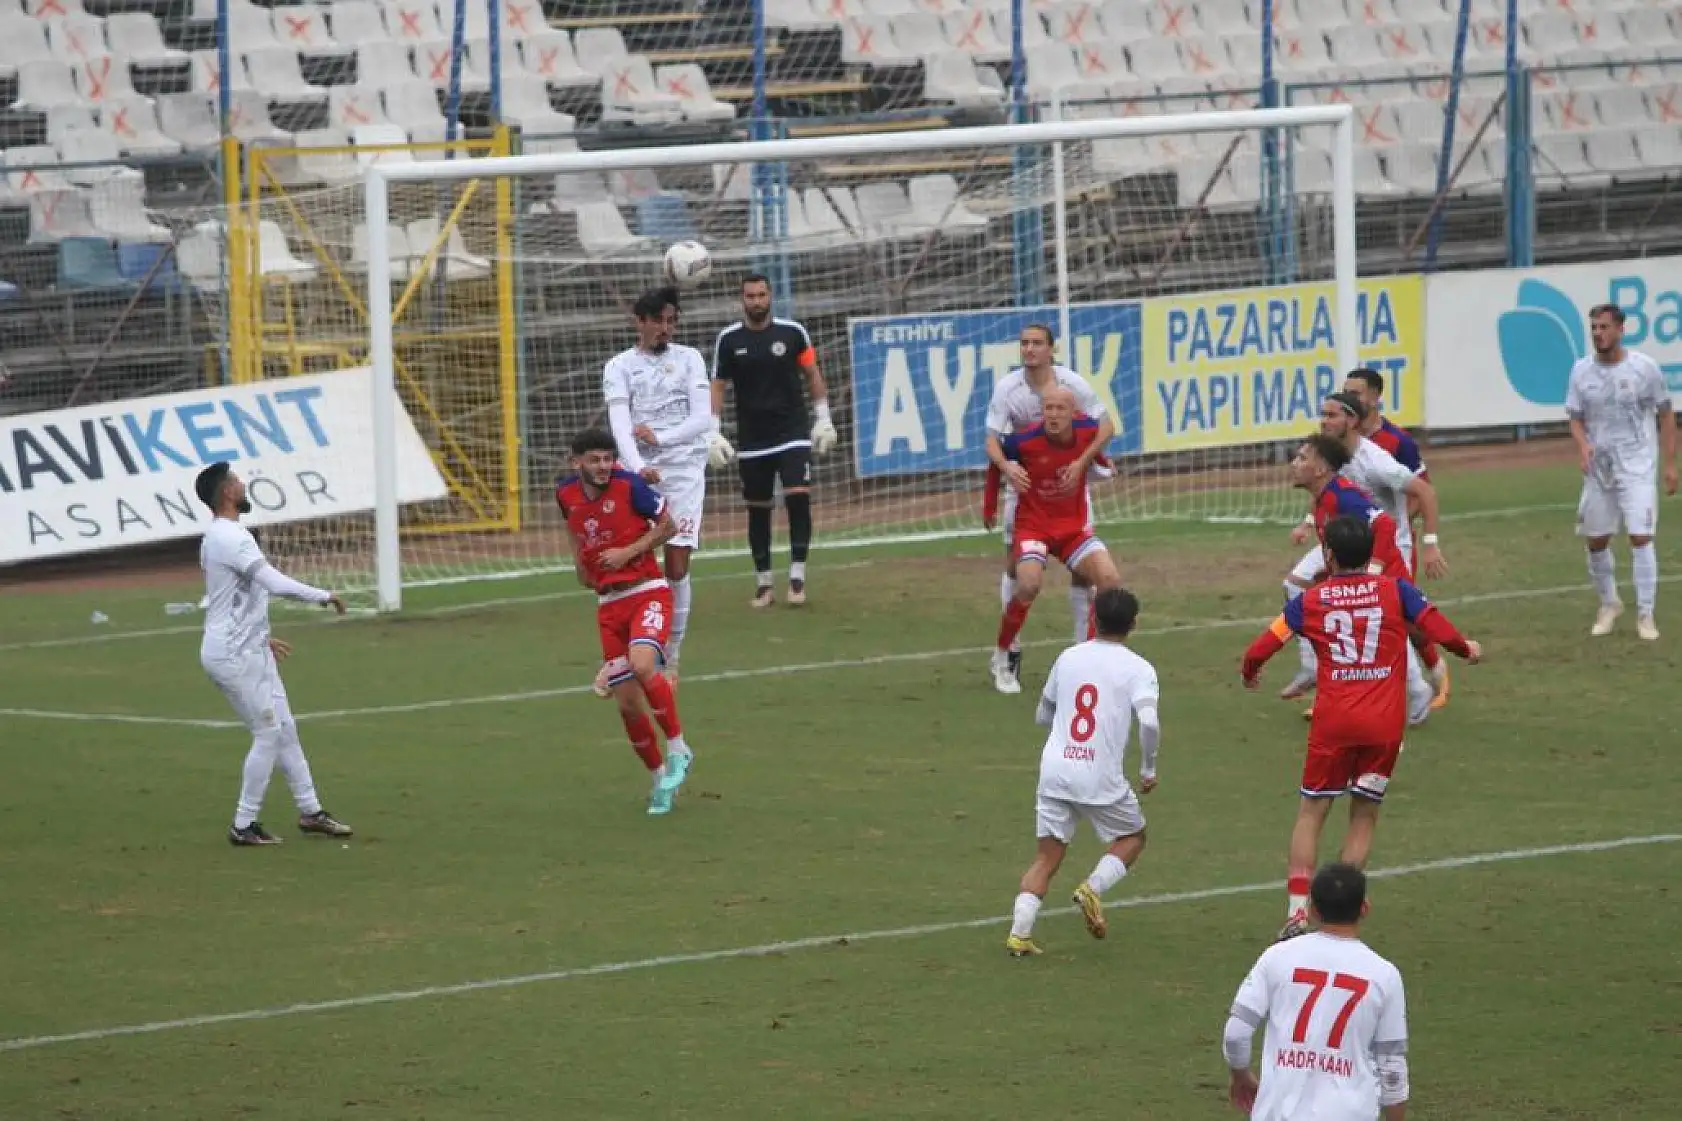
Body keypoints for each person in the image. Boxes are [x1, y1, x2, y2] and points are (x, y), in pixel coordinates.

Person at [1241, 515, 1481, 941]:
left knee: (1312, 811)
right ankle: (1339, 907)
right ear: (1370, 553)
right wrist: (1466, 649)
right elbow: (1434, 624)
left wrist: (1250, 670)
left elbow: (1266, 642)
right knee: (1364, 814)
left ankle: (1297, 914)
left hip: (1333, 723)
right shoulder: (1394, 590)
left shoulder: (1311, 601)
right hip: (1383, 728)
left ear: (1329, 555)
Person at [193, 462, 352, 847]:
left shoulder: (219, 536)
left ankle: (311, 811)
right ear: (228, 493)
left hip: (249, 648)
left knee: (286, 730)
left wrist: (261, 637)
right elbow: (272, 582)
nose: (243, 483)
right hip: (233, 656)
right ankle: (243, 825)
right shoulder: (230, 538)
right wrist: (323, 595)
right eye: (237, 481)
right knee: (267, 733)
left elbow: (232, 598)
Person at [1005, 587, 1158, 957]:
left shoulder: (1068, 657)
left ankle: (1018, 934)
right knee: (1132, 836)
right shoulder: (1139, 668)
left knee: (1047, 856)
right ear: (1133, 624)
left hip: (1055, 771)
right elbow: (1149, 722)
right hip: (1099, 775)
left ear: (1095, 618)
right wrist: (1148, 767)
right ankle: (1093, 888)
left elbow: (1043, 714)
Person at [557, 428, 695, 816]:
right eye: (594, 460)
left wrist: (627, 552)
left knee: (642, 664)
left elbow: (669, 527)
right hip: (609, 605)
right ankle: (659, 781)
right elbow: (574, 531)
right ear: (577, 462)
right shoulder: (565, 494)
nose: (603, 467)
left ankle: (680, 747)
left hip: (648, 591)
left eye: (607, 459)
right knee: (628, 705)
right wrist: (580, 567)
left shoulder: (630, 486)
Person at [1281, 394, 1449, 712]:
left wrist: (1427, 542)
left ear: (1352, 420)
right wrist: (1307, 524)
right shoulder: (1329, 468)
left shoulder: (1375, 461)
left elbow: (1411, 501)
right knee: (1295, 584)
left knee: (1386, 617)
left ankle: (1422, 682)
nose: (1324, 421)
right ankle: (1312, 667)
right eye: (1323, 415)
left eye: (1332, 415)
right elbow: (1320, 493)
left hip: (1382, 546)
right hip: (1345, 539)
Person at [983, 323, 1116, 688]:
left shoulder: (1073, 384)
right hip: (1024, 485)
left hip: (1068, 488)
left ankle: (1084, 652)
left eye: (1037, 343)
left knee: (1095, 576)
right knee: (1021, 575)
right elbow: (992, 442)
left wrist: (1083, 463)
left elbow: (1105, 428)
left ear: (1051, 349)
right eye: (1024, 343)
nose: (1029, 349)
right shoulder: (1008, 389)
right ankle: (1008, 650)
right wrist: (1007, 470)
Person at [1223, 863, 1410, 1121]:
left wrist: (1240, 1077)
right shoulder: (1384, 975)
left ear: (1311, 910)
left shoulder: (1277, 957)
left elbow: (1236, 1033)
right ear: (1365, 908)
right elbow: (1392, 1067)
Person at [599, 286, 714, 688]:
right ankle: (621, 655)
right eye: (659, 321)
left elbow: (703, 418)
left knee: (677, 565)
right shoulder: (619, 367)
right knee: (629, 566)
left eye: (672, 322)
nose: (666, 329)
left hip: (683, 472)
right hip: (639, 471)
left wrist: (661, 441)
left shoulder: (691, 359)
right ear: (640, 322)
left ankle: (672, 655)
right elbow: (620, 425)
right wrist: (638, 467)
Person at [710, 273, 836, 608]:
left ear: (771, 296)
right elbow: (718, 385)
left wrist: (823, 419)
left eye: (761, 295)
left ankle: (797, 576)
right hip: (752, 439)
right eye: (750, 296)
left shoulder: (793, 333)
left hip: (792, 431)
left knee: (797, 497)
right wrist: (713, 430)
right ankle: (764, 583)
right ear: (742, 300)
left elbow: (812, 374)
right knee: (758, 511)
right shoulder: (728, 340)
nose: (756, 301)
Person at [1567, 303, 1678, 640]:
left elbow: (1667, 413)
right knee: (1597, 540)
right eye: (1594, 328)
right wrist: (1583, 445)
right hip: (1600, 470)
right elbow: (1574, 416)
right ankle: (1609, 602)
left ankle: (1646, 614)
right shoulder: (1581, 371)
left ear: (1620, 329)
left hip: (1638, 465)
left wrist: (1670, 464)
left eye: (1604, 327)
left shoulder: (1645, 369)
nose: (1598, 334)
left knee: (1641, 536)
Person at [1342, 369, 1452, 710]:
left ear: (1375, 397)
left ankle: (1435, 671)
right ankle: (1340, 689)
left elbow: (1423, 489)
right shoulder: (1342, 437)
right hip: (1356, 541)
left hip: (1394, 543)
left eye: (1357, 393)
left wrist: (1404, 527)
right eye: (1346, 392)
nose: (1350, 399)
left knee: (1398, 617)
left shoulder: (1397, 442)